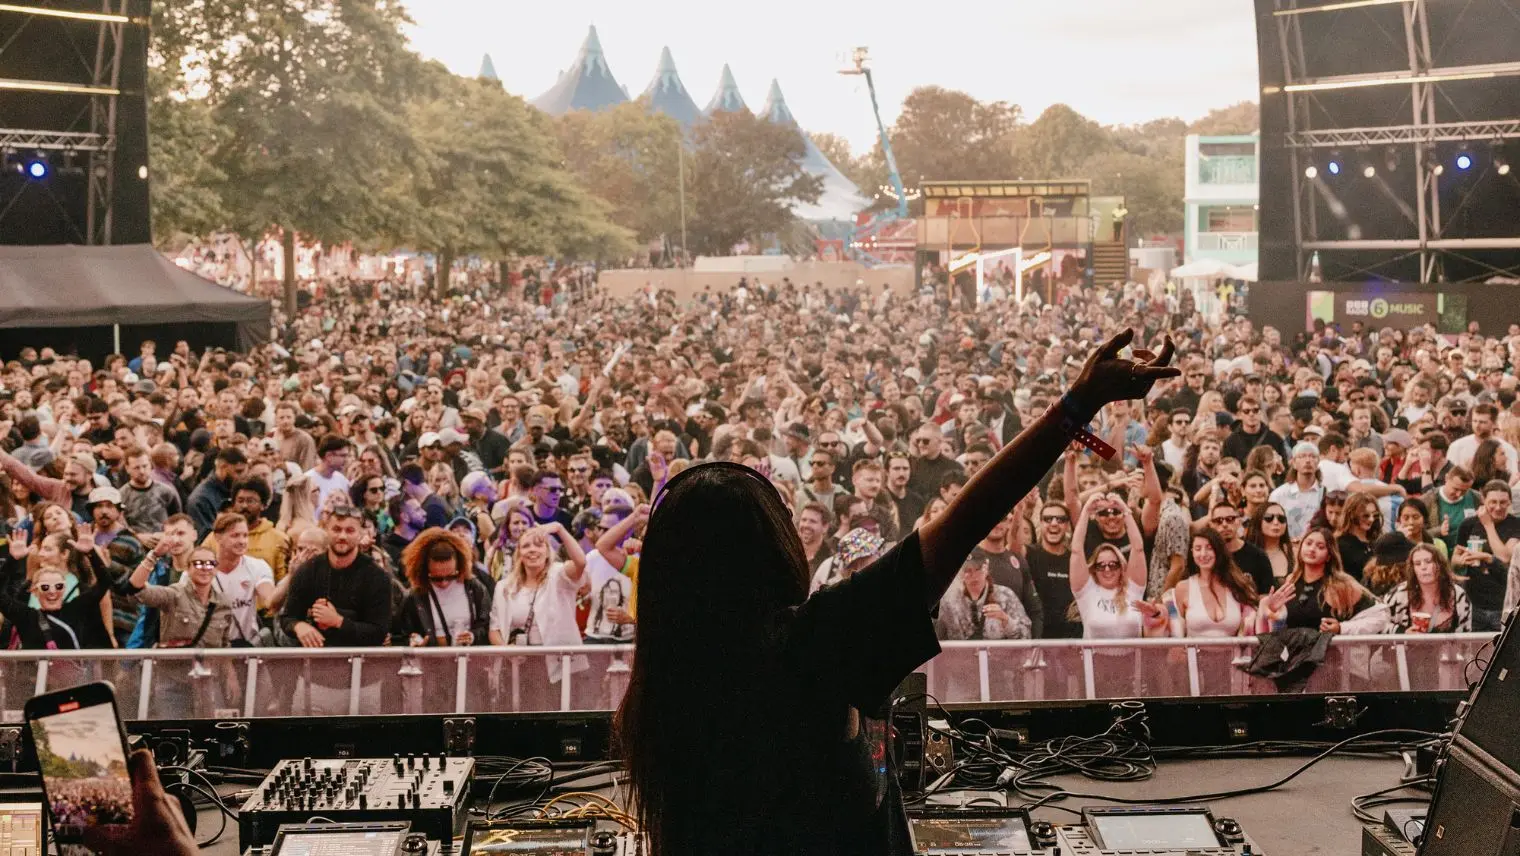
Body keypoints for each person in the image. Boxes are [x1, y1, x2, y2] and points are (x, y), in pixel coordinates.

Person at [616, 330, 1176, 855]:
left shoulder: (665, 683)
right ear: (764, 550)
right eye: (781, 515)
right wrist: (1079, 402)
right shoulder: (809, 643)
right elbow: (965, 520)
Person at [486, 522, 588, 700]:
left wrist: (559, 529)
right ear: (519, 553)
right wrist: (507, 651)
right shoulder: (504, 586)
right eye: (526, 546)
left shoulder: (559, 575)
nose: (532, 550)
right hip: (521, 664)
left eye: (539, 545)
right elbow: (494, 629)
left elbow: (581, 562)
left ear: (547, 552)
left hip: (561, 664)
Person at [1258, 527, 1387, 635]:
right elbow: (1280, 628)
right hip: (1292, 654)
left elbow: (1380, 615)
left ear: (1329, 556)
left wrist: (1342, 628)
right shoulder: (1291, 580)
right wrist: (1273, 613)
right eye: (1308, 543)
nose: (1312, 549)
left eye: (1320, 547)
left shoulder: (1340, 584)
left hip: (1329, 656)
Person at [395, 528, 490, 647]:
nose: (444, 583)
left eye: (451, 576)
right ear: (424, 570)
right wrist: (414, 641)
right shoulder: (415, 596)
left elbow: (488, 625)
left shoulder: (474, 587)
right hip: (431, 657)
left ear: (459, 567)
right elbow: (400, 634)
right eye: (436, 578)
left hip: (468, 655)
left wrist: (473, 636)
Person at [1159, 529, 1257, 638]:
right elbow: (1175, 633)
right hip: (1193, 649)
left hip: (1234, 649)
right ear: (1192, 552)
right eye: (1198, 549)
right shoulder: (1184, 587)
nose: (1203, 554)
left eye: (1209, 548)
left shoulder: (1236, 584)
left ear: (1219, 551)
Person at [1451, 479, 1520, 631]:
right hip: (1474, 602)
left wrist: (1488, 525)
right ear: (1483, 500)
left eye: (1503, 502)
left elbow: (1505, 557)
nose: (1498, 507)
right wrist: (1461, 561)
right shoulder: (1468, 524)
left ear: (1510, 502)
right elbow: (1454, 560)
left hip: (1502, 603)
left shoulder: (1516, 524)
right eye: (1493, 502)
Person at [934, 548, 1032, 640]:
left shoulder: (1005, 596)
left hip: (997, 652)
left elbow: (1027, 635)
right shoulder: (949, 602)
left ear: (986, 566)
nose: (973, 576)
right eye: (967, 570)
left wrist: (1006, 620)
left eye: (978, 568)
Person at [1382, 543, 1471, 634]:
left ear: (1439, 565)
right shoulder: (1398, 595)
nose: (1423, 567)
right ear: (1413, 569)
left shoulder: (1458, 595)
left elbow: (1466, 635)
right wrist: (1403, 633)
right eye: (1417, 564)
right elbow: (1380, 625)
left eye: (1428, 562)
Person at [1334, 492, 1382, 582]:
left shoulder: (1377, 541)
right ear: (1352, 515)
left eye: (1375, 515)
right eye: (1366, 515)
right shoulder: (1339, 544)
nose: (1371, 519)